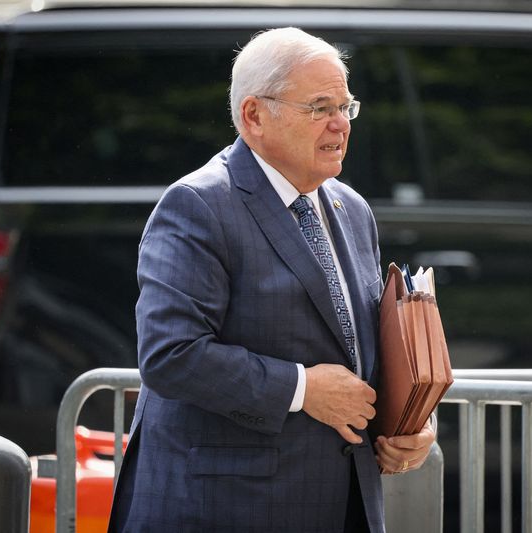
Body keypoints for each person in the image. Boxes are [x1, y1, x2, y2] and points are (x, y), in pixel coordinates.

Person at [108, 27, 436, 533]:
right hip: (224, 507)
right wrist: (303, 389)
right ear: (254, 115)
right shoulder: (198, 205)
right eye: (320, 107)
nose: (339, 125)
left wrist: (408, 424)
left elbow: (362, 348)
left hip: (343, 501)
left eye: (346, 107)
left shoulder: (352, 209)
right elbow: (170, 355)